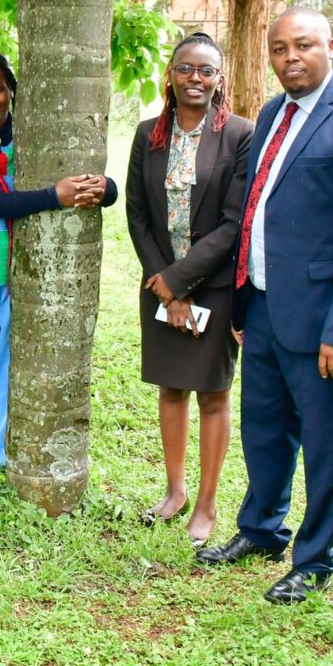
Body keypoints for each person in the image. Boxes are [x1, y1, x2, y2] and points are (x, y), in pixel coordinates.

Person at [195, 7, 333, 606]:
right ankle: (261, 529)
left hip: (324, 323)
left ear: (331, 47)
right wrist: (241, 300)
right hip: (260, 307)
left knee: (324, 442)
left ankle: (314, 559)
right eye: (279, 48)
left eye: (303, 45)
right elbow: (257, 211)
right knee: (263, 429)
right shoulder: (271, 113)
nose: (291, 58)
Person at [0, 50, 113, 479]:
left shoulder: (32, 141)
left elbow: (81, 181)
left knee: (17, 374)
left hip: (20, 278)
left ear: (12, 89)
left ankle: (3, 455)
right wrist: (56, 196)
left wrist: (106, 189)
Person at [124, 33, 253, 546]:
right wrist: (165, 286)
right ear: (170, 74)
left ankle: (206, 504)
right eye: (185, 69)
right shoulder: (146, 134)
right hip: (159, 285)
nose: (195, 78)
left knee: (213, 395)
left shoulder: (240, 135)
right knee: (171, 387)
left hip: (214, 287)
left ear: (219, 79)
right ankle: (174, 492)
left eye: (206, 70)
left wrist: (182, 282)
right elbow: (136, 213)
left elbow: (233, 222)